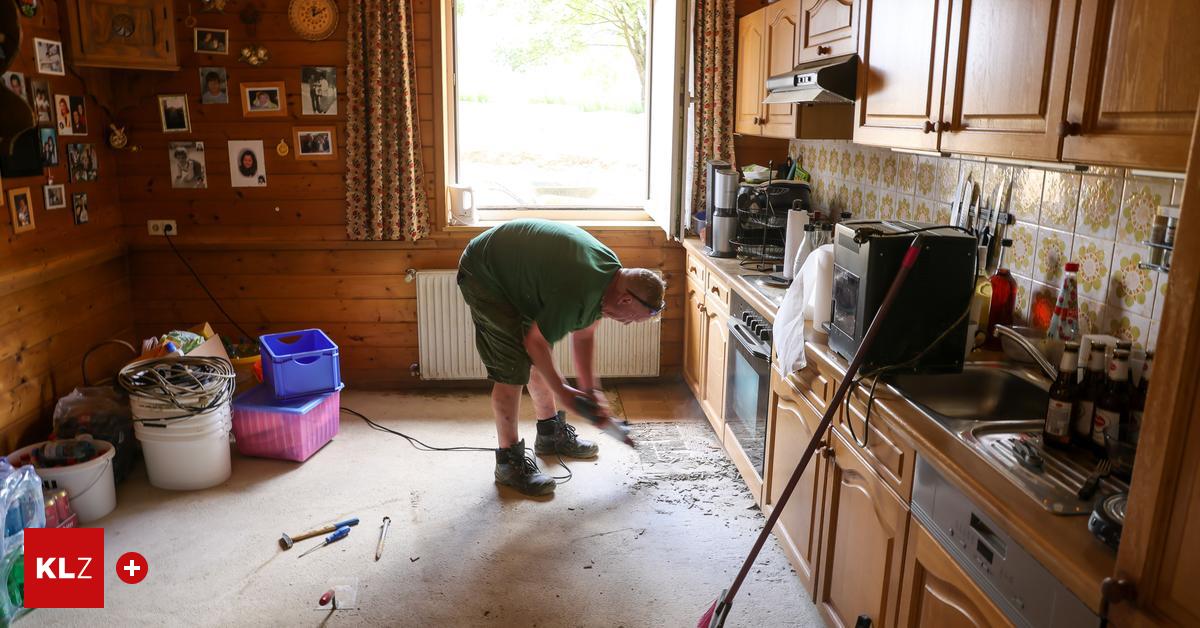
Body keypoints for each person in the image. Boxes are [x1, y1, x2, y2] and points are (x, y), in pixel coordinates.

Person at [457, 219, 666, 497]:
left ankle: (550, 435)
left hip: (518, 275)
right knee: (512, 368)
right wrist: (564, 393)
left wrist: (591, 390)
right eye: (631, 320)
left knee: (537, 357)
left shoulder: (610, 278)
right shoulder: (578, 288)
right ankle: (508, 462)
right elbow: (536, 343)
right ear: (626, 300)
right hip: (485, 273)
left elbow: (584, 334)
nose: (627, 324)